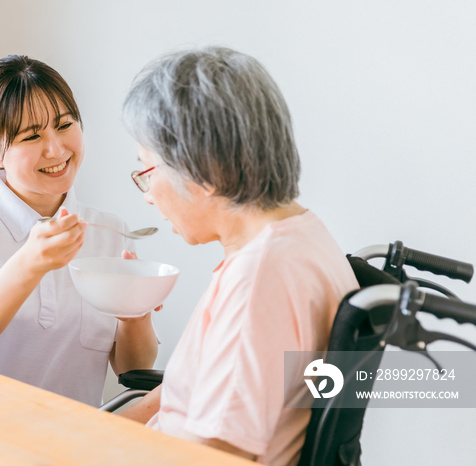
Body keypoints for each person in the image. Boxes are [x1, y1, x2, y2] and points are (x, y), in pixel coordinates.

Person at [118, 47, 359, 465]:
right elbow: (191, 392)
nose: (149, 196)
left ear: (204, 171)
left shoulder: (260, 279)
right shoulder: (302, 236)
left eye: (148, 171)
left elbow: (216, 454)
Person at [0, 55, 158, 407]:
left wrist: (135, 313)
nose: (56, 149)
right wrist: (31, 262)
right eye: (32, 136)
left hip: (66, 444)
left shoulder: (109, 232)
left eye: (65, 125)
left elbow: (132, 369)